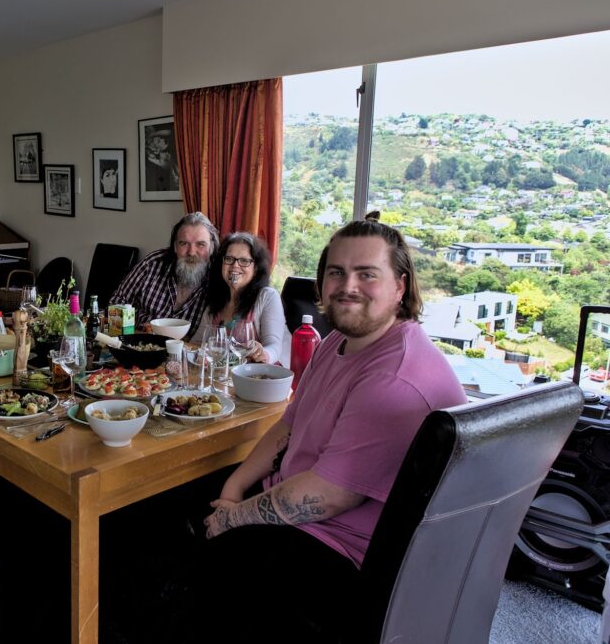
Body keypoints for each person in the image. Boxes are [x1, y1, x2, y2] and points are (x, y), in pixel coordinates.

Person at [195, 213, 468, 642]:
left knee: (200, 554)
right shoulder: (336, 342)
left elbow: (328, 497)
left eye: (367, 274)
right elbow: (289, 424)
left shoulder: (392, 378)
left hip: (346, 551)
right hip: (307, 507)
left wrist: (234, 518)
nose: (347, 286)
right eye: (336, 273)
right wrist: (234, 487)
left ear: (400, 286)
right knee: (190, 496)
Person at [109, 211, 218, 340]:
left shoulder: (218, 279)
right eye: (184, 243)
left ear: (211, 247)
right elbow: (117, 302)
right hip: (140, 344)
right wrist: (128, 336)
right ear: (175, 246)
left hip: (186, 351)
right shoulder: (153, 264)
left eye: (201, 244)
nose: (191, 252)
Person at [196, 231, 285, 363]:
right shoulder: (215, 298)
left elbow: (275, 346)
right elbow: (198, 343)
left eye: (244, 261)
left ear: (256, 268)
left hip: (259, 373)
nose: (235, 265)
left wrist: (263, 353)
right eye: (229, 259)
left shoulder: (267, 296)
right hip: (221, 374)